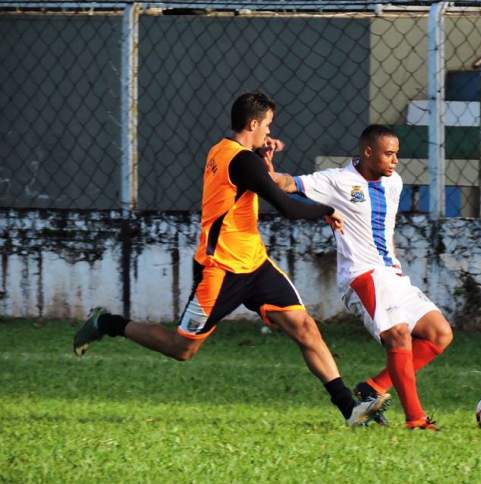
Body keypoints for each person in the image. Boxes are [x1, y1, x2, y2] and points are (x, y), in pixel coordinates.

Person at [73, 92, 389, 427]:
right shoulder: (242, 161)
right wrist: (327, 208)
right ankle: (106, 323)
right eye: (267, 126)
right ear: (253, 124)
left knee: (304, 327)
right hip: (220, 269)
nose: (270, 133)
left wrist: (263, 152)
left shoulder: (224, 149)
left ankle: (349, 410)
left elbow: (253, 174)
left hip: (254, 262)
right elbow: (285, 205)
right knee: (182, 349)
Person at [271, 124, 453, 430]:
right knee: (399, 335)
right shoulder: (338, 181)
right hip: (362, 274)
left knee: (440, 334)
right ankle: (415, 418)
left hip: (391, 274)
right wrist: (265, 162)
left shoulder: (393, 182)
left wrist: (396, 268)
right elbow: (287, 183)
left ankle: (373, 387)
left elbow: (385, 229)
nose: (395, 160)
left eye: (397, 154)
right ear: (368, 152)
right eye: (389, 154)